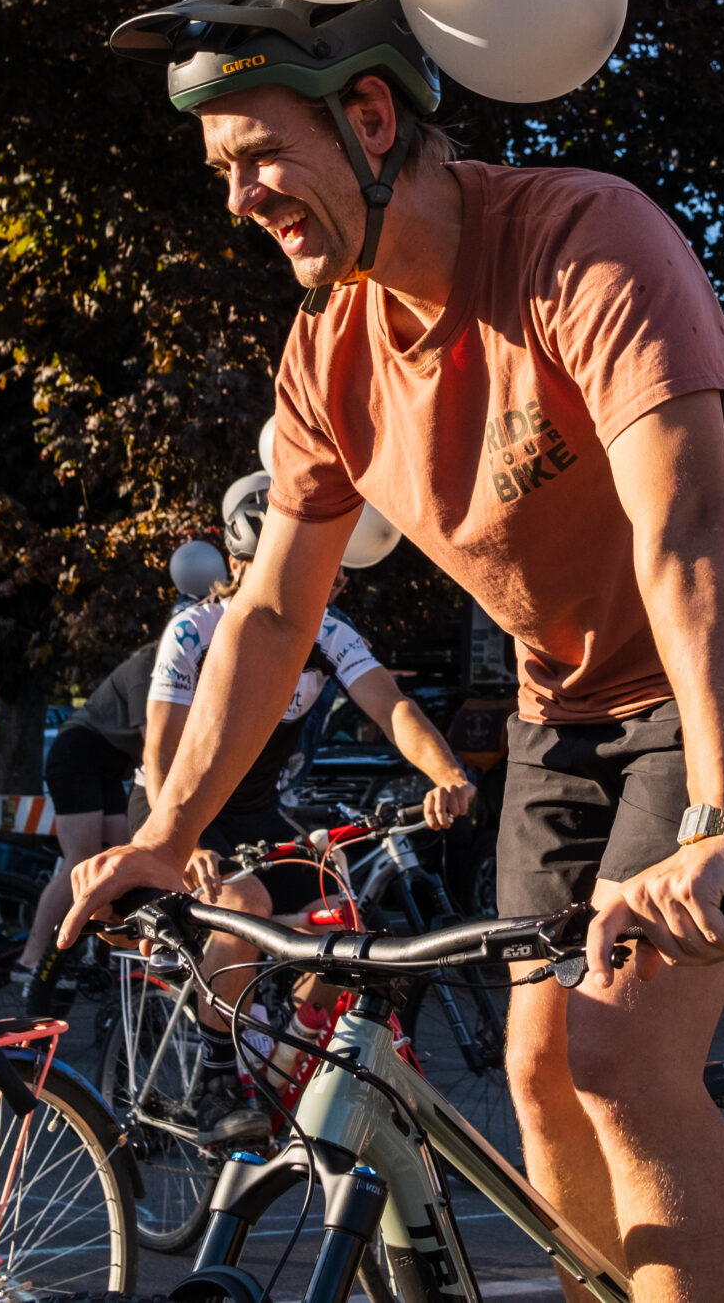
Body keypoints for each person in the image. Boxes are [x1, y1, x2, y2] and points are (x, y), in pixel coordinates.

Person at [75, 0, 724, 1300]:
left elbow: (688, 537)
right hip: (569, 701)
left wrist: (720, 818)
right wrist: (162, 827)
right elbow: (273, 612)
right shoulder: (328, 352)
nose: (241, 196)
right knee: (540, 1065)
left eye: (263, 153)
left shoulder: (584, 241)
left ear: (371, 117)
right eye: (222, 168)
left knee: (622, 1052)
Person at [145, 474, 476, 1147]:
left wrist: (447, 772)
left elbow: (392, 705)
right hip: (180, 808)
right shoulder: (193, 629)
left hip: (260, 813)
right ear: (245, 561)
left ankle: (287, 1060)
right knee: (244, 907)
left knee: (345, 929)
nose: (318, 579)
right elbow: (159, 751)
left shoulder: (328, 631)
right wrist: (187, 838)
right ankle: (212, 1076)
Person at [19, 639, 155, 984]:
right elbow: (154, 740)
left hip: (109, 766)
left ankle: (110, 952)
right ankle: (30, 961)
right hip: (77, 754)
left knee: (123, 855)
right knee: (79, 858)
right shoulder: (148, 665)